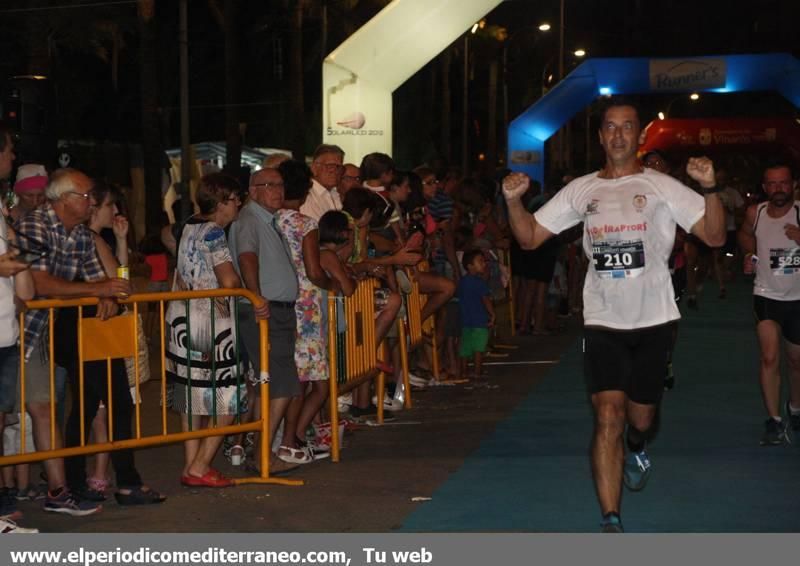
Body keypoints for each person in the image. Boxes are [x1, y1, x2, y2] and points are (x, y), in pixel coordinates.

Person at [502, 97, 725, 533]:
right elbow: (529, 238)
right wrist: (513, 202)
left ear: (639, 136)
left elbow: (715, 236)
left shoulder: (661, 185)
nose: (619, 135)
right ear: (601, 135)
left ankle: (638, 443)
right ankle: (611, 518)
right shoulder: (581, 190)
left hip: (654, 319)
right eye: (610, 127)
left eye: (627, 127)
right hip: (603, 320)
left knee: (639, 417)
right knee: (607, 414)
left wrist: (711, 188)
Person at [17, 168, 142, 516]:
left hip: (50, 334)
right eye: (86, 196)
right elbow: (37, 282)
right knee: (28, 413)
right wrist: (97, 290)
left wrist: (104, 294)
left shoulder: (83, 236)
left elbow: (107, 280)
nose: (91, 202)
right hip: (21, 331)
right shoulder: (34, 225)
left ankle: (60, 490)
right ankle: (35, 485)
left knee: (50, 411)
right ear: (63, 199)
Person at [229, 166, 302, 475]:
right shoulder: (249, 219)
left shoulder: (267, 220)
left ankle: (260, 452)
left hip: (274, 310)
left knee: (270, 385)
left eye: (280, 184)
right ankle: (262, 455)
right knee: (281, 385)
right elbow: (247, 258)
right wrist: (256, 297)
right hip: (266, 311)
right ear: (253, 190)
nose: (277, 190)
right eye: (269, 185)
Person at [275, 160, 336, 463]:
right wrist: (331, 282)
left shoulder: (270, 221)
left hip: (281, 304)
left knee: (295, 379)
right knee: (309, 381)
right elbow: (313, 270)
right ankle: (290, 440)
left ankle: (292, 437)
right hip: (307, 308)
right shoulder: (304, 224)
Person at [737, 161, 800, 446]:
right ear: (764, 188)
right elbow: (744, 235)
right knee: (769, 357)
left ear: (792, 185)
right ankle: (774, 420)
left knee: (795, 360)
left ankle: (795, 409)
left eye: (783, 183)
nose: (778, 189)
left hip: (798, 299)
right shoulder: (756, 212)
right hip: (766, 295)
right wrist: (749, 254)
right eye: (772, 184)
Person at [0, 125, 39, 532]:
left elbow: (22, 284)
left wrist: (19, 259)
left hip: (6, 333)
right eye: (9, 150)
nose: (12, 157)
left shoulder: (1, 211)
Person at [457, 250, 495, 380]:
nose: (484, 264)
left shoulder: (462, 282)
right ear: (470, 265)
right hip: (479, 320)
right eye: (480, 261)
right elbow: (485, 299)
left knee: (465, 348)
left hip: (465, 320)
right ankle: (477, 371)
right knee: (479, 347)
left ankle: (463, 371)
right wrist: (492, 313)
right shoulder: (478, 282)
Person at [300, 144, 344, 221]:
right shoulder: (307, 195)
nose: (334, 171)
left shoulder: (336, 192)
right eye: (330, 166)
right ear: (314, 168)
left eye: (338, 167)